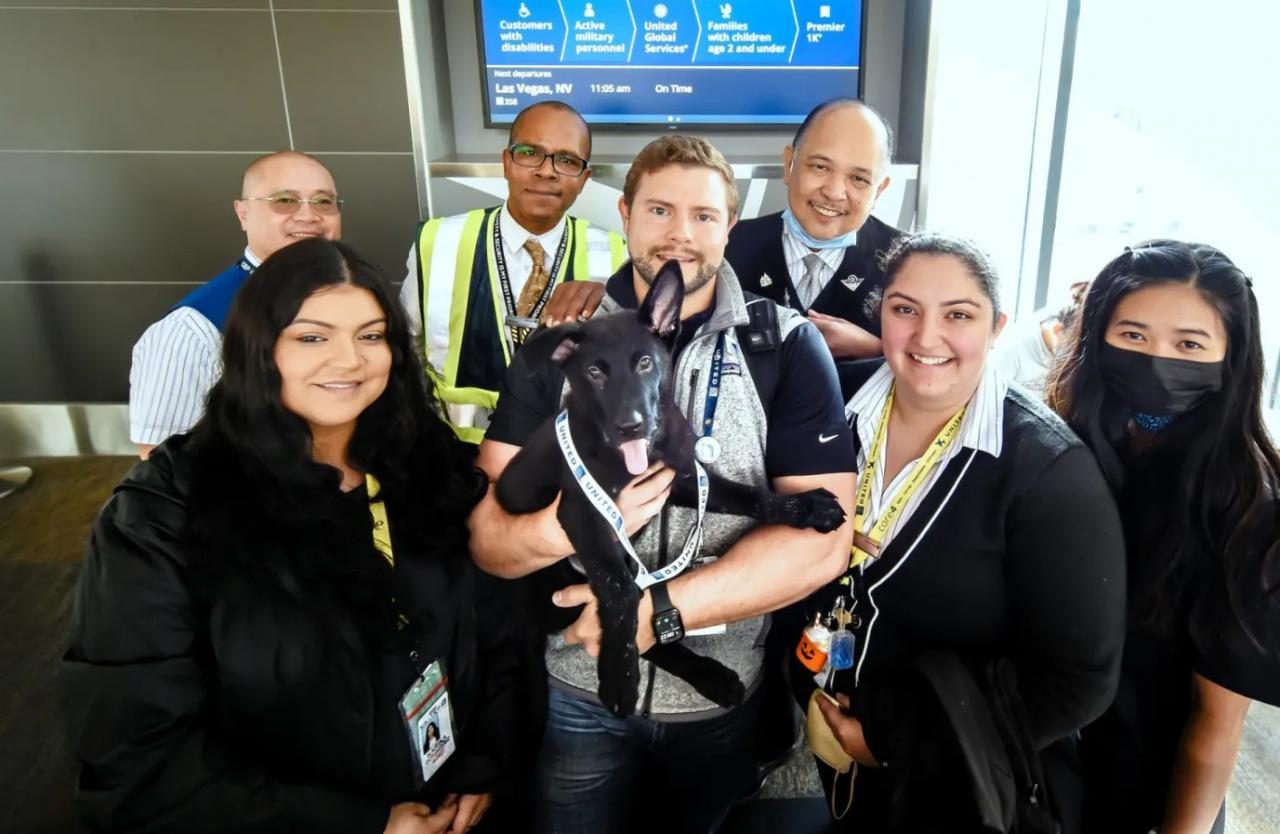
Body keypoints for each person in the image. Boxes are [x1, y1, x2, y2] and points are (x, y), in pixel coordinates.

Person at [65, 238, 524, 834]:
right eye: (311, 337)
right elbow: (135, 751)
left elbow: (498, 626)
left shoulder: (424, 466)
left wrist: (481, 765)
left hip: (449, 807)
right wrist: (365, 825)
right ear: (260, 349)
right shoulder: (165, 515)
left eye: (371, 334)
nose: (349, 361)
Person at [467, 135, 857, 833]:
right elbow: (488, 541)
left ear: (731, 226)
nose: (681, 233)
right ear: (624, 214)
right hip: (575, 691)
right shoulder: (559, 342)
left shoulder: (785, 347)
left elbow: (823, 546)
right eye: (660, 210)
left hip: (720, 700)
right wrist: (564, 524)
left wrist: (653, 613)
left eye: (704, 216)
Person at [787, 233, 1127, 833]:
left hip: (960, 779)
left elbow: (1076, 683)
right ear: (881, 313)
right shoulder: (829, 405)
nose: (927, 338)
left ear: (997, 327)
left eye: (959, 315)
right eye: (905, 309)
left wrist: (894, 740)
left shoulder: (1046, 471)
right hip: (830, 728)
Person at [1047, 241, 1280, 834]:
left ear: (1232, 356)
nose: (1157, 360)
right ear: (1097, 336)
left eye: (1189, 345)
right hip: (1037, 763)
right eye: (1133, 335)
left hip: (1150, 792)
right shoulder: (1061, 444)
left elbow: (1217, 722)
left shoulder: (1246, 504)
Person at [399, 100, 627, 444]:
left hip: (562, 467)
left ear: (584, 179)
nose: (546, 171)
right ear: (506, 162)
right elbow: (406, 356)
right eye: (529, 152)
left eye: (566, 160)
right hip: (456, 463)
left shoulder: (614, 257)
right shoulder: (438, 242)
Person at [129, 150, 342, 458]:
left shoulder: (350, 298)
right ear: (243, 214)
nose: (309, 216)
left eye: (324, 201)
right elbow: (161, 459)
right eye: (285, 200)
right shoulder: (192, 331)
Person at [724, 98, 903, 360]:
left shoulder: (907, 263)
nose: (833, 192)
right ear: (789, 164)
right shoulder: (727, 246)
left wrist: (877, 350)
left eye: (858, 179)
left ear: (879, 190)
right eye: (820, 167)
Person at [992, 280, 1088, 395]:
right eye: (1073, 344)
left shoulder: (1062, 356)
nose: (1075, 352)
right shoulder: (1013, 347)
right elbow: (992, 400)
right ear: (1058, 330)